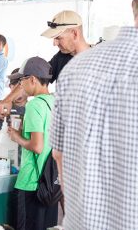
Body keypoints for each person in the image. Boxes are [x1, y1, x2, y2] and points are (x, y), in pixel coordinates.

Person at [51, 26, 138, 229]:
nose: (56, 43)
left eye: (58, 38)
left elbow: (58, 154)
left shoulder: (74, 68)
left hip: (82, 220)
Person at [6, 57, 57, 230]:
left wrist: (16, 137)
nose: (21, 85)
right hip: (50, 182)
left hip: (31, 182)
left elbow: (37, 146)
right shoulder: (54, 102)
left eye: (22, 80)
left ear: (33, 79)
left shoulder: (35, 105)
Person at [41, 10, 90, 83]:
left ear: (74, 34)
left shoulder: (98, 60)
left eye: (58, 38)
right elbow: (38, 78)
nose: (54, 44)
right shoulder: (60, 57)